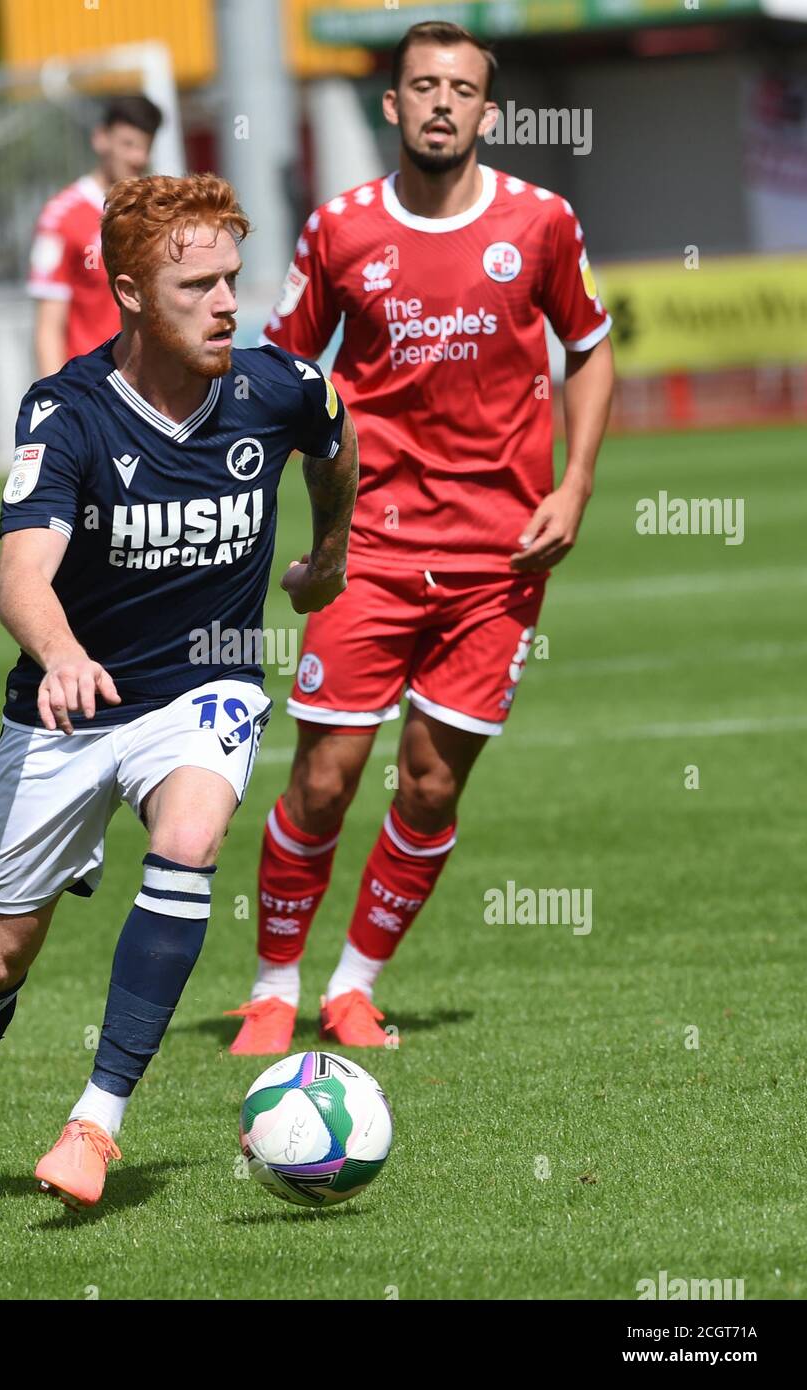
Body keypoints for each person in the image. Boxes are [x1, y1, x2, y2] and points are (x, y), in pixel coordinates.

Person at [0, 173, 359, 1213]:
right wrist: (57, 653)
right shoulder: (70, 412)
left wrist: (331, 550)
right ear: (132, 291)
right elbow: (20, 578)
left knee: (189, 840)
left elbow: (332, 435)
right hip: (67, 707)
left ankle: (98, 1119)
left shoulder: (276, 385)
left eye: (234, 277)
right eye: (199, 285)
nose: (230, 302)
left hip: (208, 681)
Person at [226, 19, 615, 1055]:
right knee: (324, 777)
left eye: (463, 89)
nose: (443, 103)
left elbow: (592, 346)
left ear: (488, 110)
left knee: (435, 781)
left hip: (501, 558)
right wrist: (302, 542)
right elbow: (284, 379)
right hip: (372, 550)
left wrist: (574, 485)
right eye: (424, 86)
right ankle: (272, 989)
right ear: (392, 106)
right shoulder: (342, 229)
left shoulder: (541, 224)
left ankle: (354, 985)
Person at [28, 94, 163, 376]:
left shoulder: (160, 212)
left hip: (156, 387)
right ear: (101, 138)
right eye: (128, 144)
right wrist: (56, 405)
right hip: (95, 391)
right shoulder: (62, 217)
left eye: (145, 147)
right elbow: (49, 326)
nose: (138, 157)